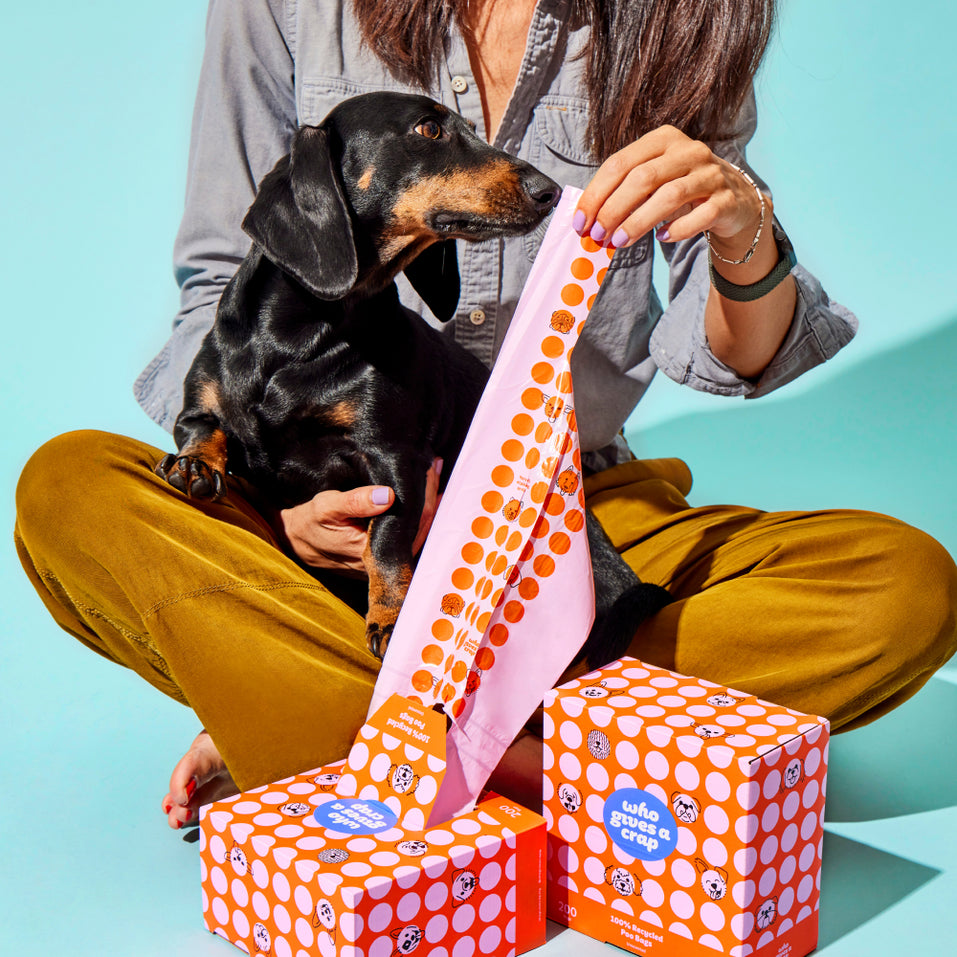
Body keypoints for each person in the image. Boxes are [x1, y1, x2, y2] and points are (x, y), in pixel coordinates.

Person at [14, 0, 957, 827]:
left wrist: (740, 220)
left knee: (901, 588)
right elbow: (222, 284)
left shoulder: (682, 18)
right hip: (313, 538)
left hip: (568, 521)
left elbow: (734, 347)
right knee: (69, 486)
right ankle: (554, 765)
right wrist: (280, 510)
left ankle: (331, 724)